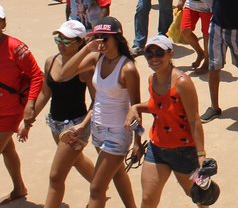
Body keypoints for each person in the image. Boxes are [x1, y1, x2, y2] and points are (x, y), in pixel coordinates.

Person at [56, 16, 139, 208]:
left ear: (117, 39)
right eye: (97, 37)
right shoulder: (96, 58)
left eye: (104, 38)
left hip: (118, 133)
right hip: (97, 130)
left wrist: (138, 142)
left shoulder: (128, 68)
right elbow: (64, 74)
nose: (100, 42)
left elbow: (135, 108)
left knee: (96, 188)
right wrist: (86, 48)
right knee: (117, 174)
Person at [125, 35, 206, 207]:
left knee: (201, 197)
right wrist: (136, 108)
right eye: (149, 54)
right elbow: (157, 106)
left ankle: (203, 180)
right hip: (157, 148)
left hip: (185, 153)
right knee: (148, 200)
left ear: (170, 54)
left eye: (159, 53)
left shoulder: (183, 83)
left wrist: (201, 155)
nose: (154, 58)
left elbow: (194, 120)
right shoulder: (151, 79)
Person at [20, 20, 95, 208]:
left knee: (55, 176)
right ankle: (99, 186)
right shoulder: (51, 61)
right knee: (76, 160)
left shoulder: (86, 68)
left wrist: (83, 126)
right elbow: (46, 93)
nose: (61, 43)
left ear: (79, 42)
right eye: (59, 39)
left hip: (75, 126)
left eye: (67, 40)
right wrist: (28, 121)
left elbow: (98, 101)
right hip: (54, 123)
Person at [0, 4, 43, 204]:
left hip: (10, 110)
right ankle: (19, 188)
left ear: (3, 23)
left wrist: (30, 104)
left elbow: (37, 76)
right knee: (7, 149)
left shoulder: (15, 47)